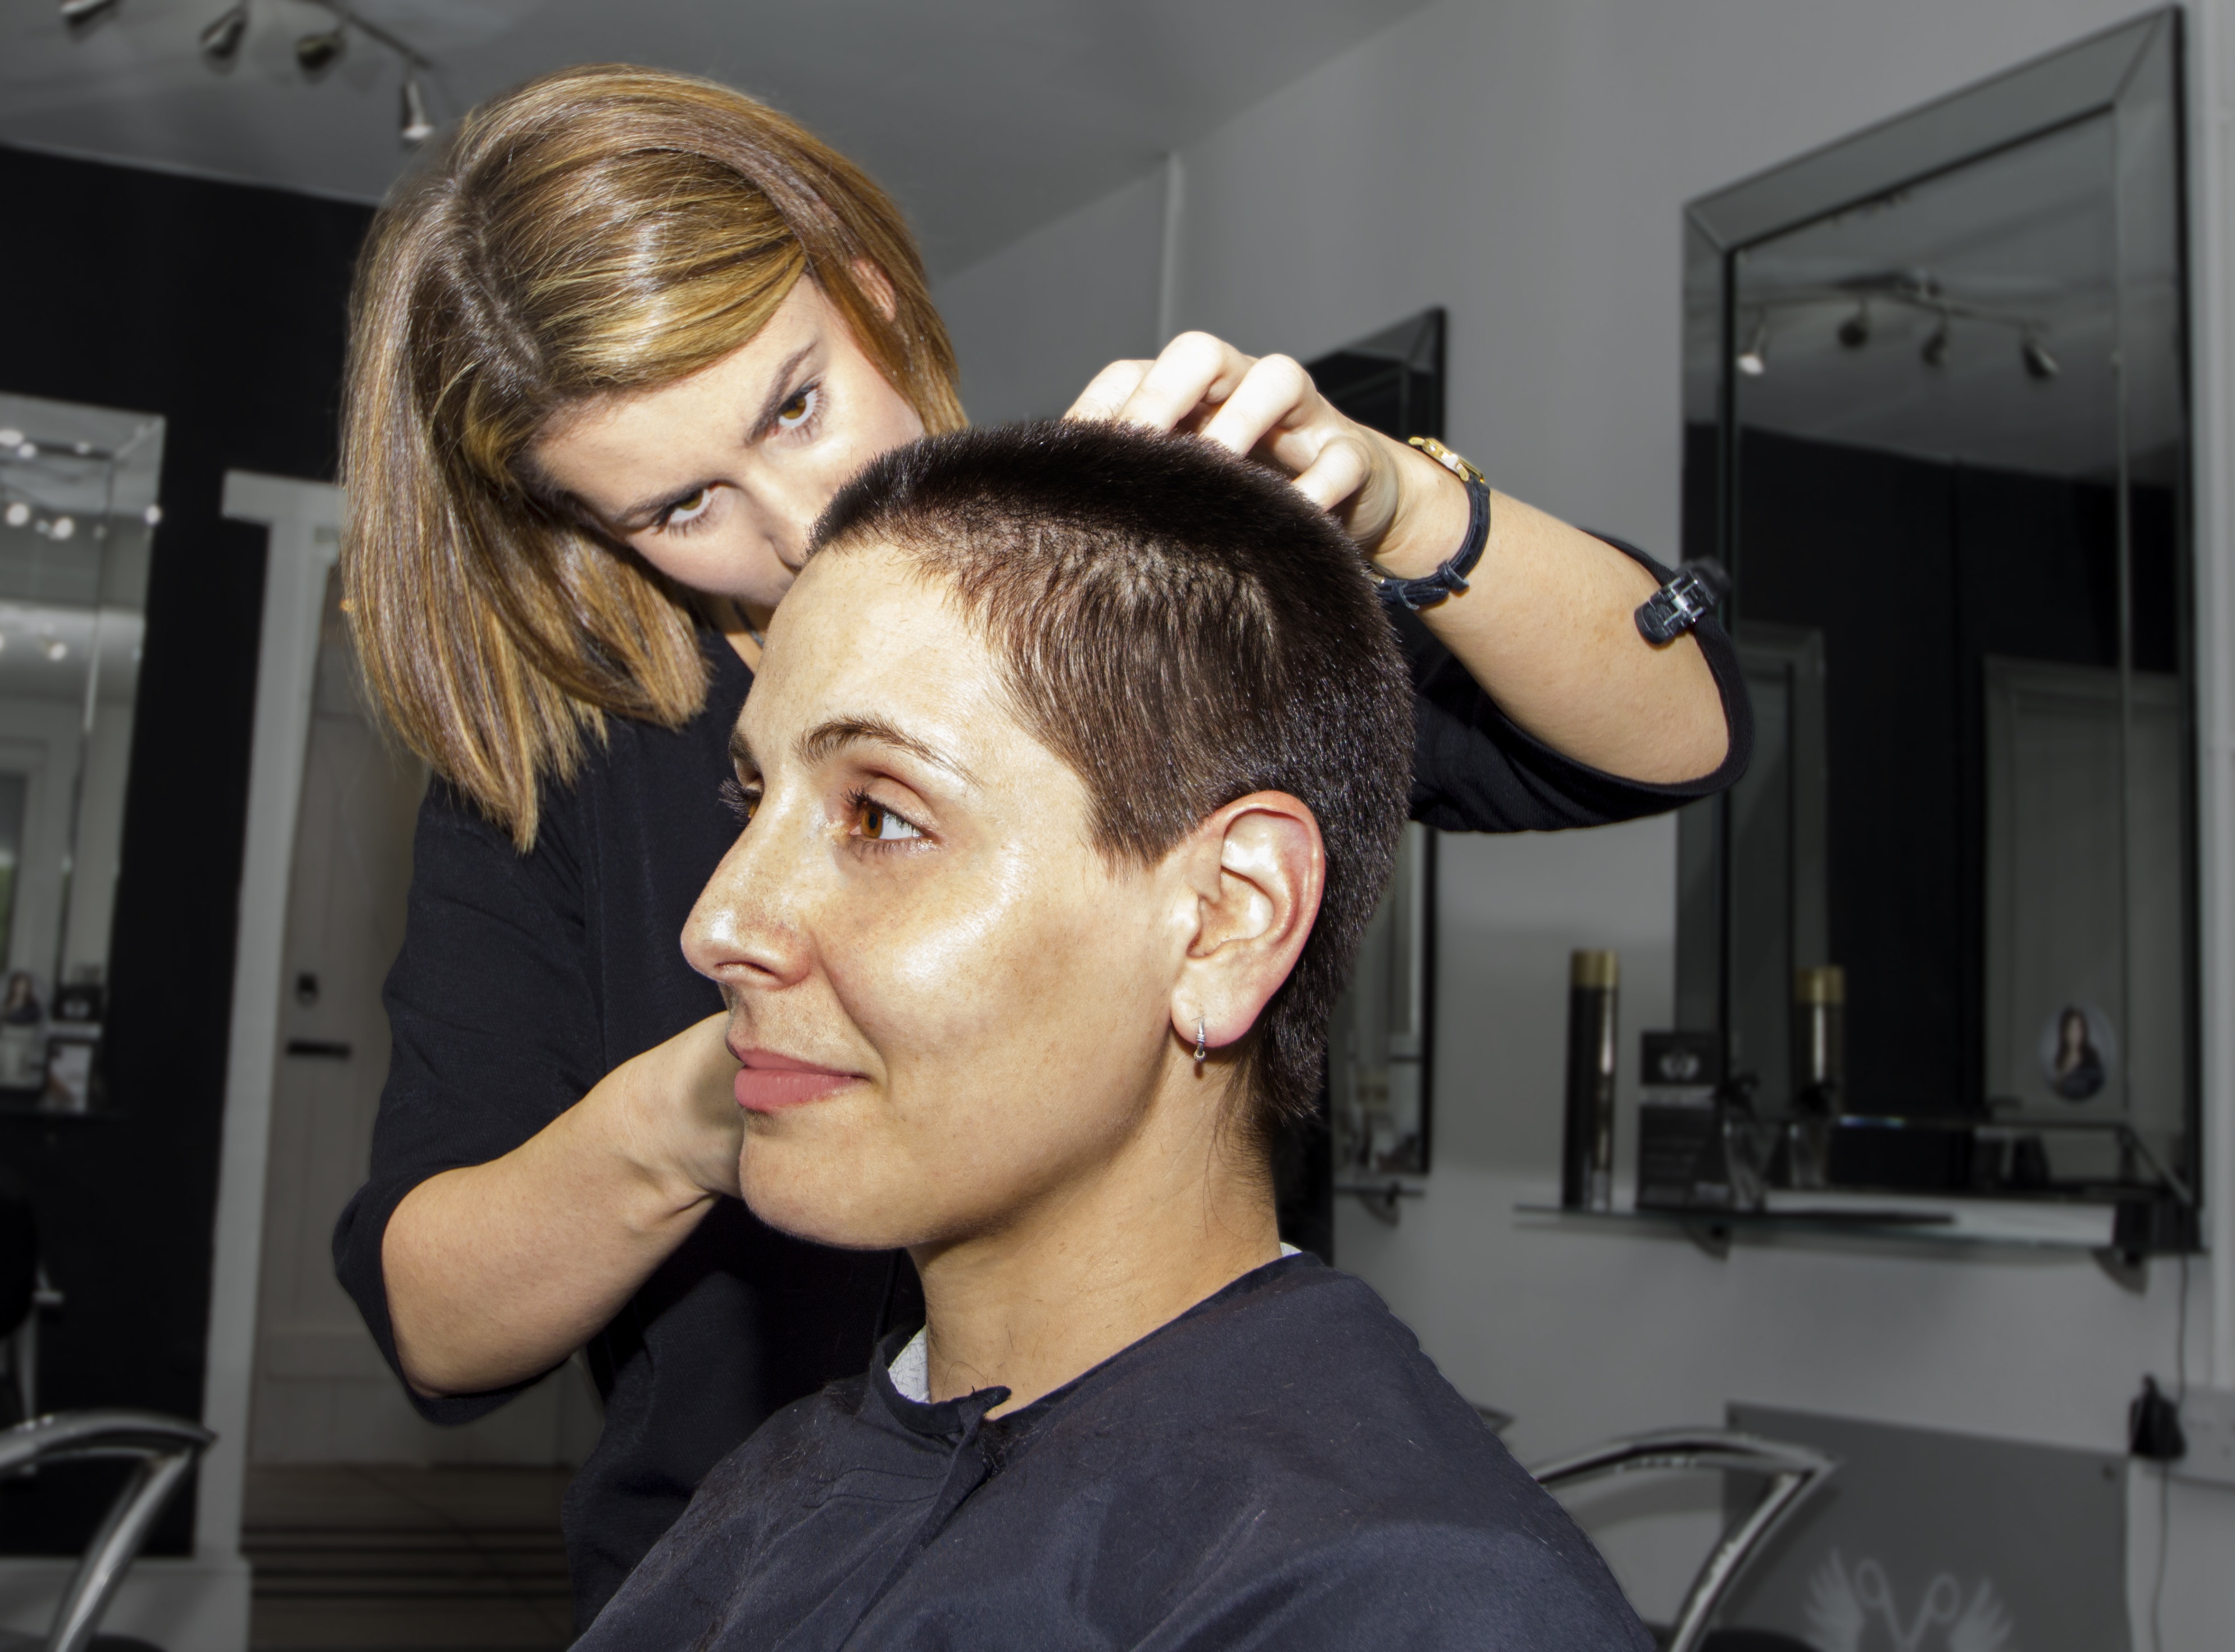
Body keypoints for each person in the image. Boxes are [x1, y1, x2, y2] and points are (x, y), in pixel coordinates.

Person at [332, 63, 1748, 1623]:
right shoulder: (563, 763)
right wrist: (718, 1092)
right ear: (597, 530)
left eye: (797, 403)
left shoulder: (1108, 601)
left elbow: (1675, 731)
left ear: (868, 296)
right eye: (683, 508)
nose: (799, 519)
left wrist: (1405, 505)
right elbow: (440, 1319)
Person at [575, 418, 1650, 1651]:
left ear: (1222, 923)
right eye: (749, 798)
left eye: (879, 815)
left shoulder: (1402, 1599)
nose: (717, 924)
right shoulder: (795, 1474)